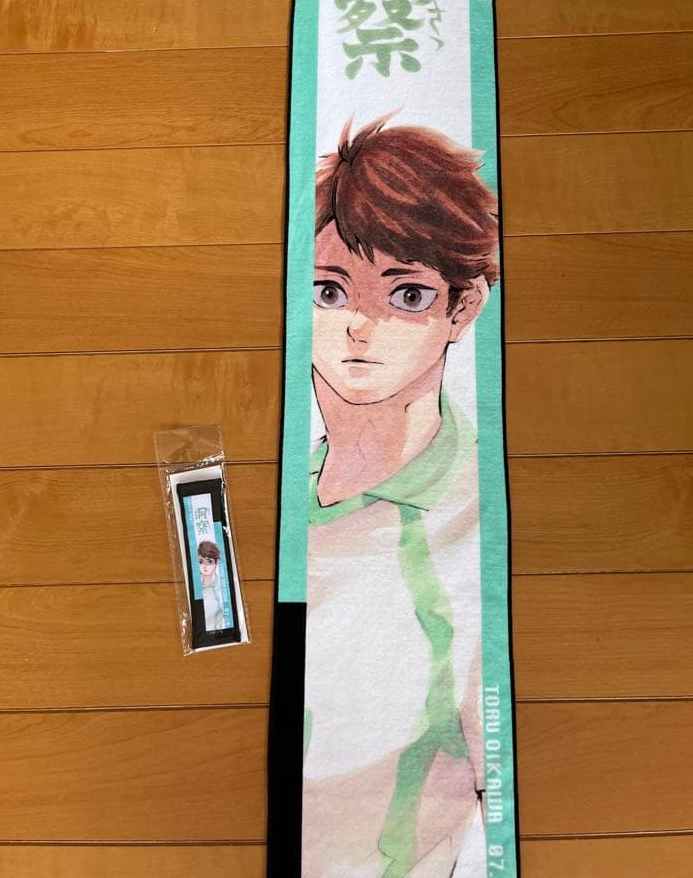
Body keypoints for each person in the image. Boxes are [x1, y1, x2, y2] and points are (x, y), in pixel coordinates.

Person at [303, 112, 500, 877]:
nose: (361, 325)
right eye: (329, 291)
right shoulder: (285, 490)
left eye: (408, 295)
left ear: (463, 308)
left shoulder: (473, 518)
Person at [197, 540, 224, 632]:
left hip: (218, 634)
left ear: (217, 562)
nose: (205, 566)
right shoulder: (197, 587)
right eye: (201, 561)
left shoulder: (221, 588)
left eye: (209, 561)